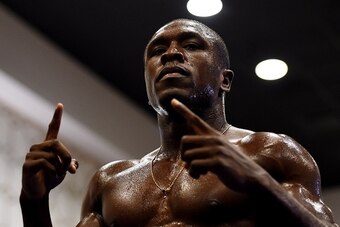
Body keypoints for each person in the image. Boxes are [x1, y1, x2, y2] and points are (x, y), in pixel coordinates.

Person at [20, 19, 338, 227]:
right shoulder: (111, 181)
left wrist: (257, 180)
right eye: (158, 51)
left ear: (224, 80)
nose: (172, 54)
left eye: (191, 45)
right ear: (147, 84)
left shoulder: (271, 152)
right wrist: (34, 203)